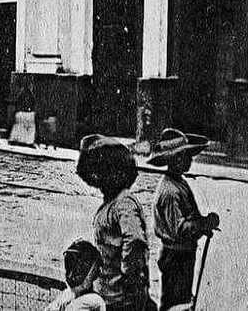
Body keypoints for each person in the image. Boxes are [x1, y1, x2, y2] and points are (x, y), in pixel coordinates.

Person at [76, 134, 155, 311]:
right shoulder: (112, 202)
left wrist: (129, 280)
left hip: (121, 298)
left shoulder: (123, 203)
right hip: (110, 293)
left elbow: (134, 240)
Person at [148, 129, 219, 311]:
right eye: (186, 156)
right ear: (176, 159)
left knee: (181, 300)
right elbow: (179, 229)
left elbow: (187, 219)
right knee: (174, 304)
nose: (190, 160)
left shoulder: (178, 182)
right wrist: (203, 224)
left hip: (182, 254)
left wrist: (202, 222)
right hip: (175, 256)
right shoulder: (171, 191)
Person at [46, 239, 107, 311]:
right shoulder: (67, 295)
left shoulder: (93, 301)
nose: (71, 275)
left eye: (78, 269)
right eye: (69, 267)